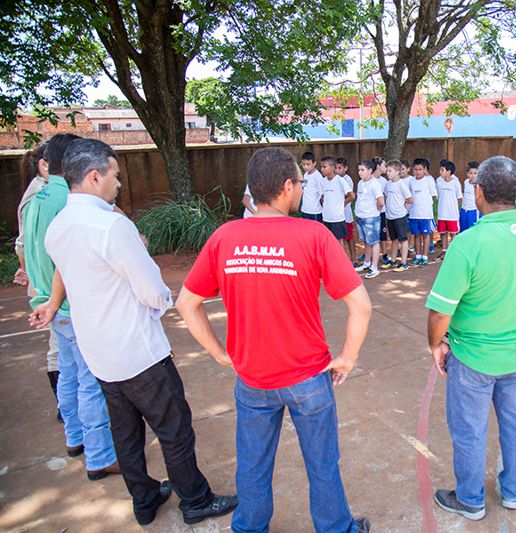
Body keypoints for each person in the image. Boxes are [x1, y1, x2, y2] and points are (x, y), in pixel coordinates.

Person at [32, 138, 237, 526]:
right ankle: (195, 499)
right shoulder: (112, 226)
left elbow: (68, 274)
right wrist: (156, 292)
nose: (119, 184)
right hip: (138, 352)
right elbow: (152, 291)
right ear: (94, 176)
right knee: (174, 428)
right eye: (115, 175)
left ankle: (144, 498)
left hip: (99, 351)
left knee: (126, 432)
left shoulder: (60, 225)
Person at [175, 147, 372, 533]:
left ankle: (249, 528)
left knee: (252, 465)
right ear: (287, 186)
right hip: (308, 378)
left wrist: (219, 352)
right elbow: (361, 305)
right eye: (299, 182)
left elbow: (186, 303)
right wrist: (348, 358)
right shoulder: (313, 234)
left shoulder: (225, 236)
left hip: (252, 378)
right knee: (322, 464)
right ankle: (336, 528)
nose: (300, 188)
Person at [426, 156, 516, 521]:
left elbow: (440, 312)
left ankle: (471, 499)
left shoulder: (469, 243)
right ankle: (513, 491)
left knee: (469, 430)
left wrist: (436, 344)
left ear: (479, 191)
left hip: (473, 358)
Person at [23, 133, 120, 481]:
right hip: (71, 305)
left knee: (68, 375)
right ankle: (100, 456)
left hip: (51, 305)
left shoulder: (37, 195)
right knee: (91, 383)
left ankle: (75, 437)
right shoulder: (69, 200)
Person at [15, 142, 62, 421]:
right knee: (60, 346)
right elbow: (24, 244)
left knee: (59, 343)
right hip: (51, 282)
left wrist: (27, 271)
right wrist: (30, 272)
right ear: (44, 165)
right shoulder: (44, 196)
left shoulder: (38, 193)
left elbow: (22, 245)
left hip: (44, 280)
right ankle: (66, 406)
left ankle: (67, 406)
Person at [354, 159, 385, 279]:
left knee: (374, 242)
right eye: (359, 170)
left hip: (371, 218)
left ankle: (374, 267)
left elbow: (380, 201)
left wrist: (374, 211)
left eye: (362, 170)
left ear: (370, 170)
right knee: (367, 241)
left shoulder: (374, 184)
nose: (360, 172)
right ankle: (366, 263)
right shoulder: (360, 183)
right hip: (361, 216)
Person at [382, 159, 413, 271]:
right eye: (387, 170)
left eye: (390, 171)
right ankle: (393, 260)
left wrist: (403, 205)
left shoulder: (401, 184)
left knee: (403, 239)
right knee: (394, 239)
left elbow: (410, 199)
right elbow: (386, 196)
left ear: (397, 172)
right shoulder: (388, 184)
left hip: (400, 216)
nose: (388, 173)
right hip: (390, 216)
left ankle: (404, 263)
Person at [409, 158, 438, 266]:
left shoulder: (429, 180)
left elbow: (434, 195)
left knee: (425, 235)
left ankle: (425, 257)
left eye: (420, 169)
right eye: (415, 169)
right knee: (416, 235)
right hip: (414, 214)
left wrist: (426, 204)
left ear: (425, 169)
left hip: (425, 214)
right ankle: (418, 256)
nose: (418, 172)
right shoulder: (411, 181)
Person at [320, 155, 355, 246]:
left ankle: (340, 256)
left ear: (332, 168)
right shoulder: (323, 181)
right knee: (328, 241)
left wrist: (344, 203)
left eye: (324, 167)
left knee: (339, 242)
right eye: (321, 167)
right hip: (326, 218)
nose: (322, 169)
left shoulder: (340, 181)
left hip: (337, 218)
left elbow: (352, 196)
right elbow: (322, 197)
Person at [435, 160, 462, 259]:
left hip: (452, 214)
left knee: (453, 233)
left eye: (442, 170)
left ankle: (453, 252)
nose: (440, 172)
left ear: (449, 171)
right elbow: (437, 196)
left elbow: (459, 198)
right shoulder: (439, 181)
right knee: (443, 233)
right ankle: (444, 252)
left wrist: (454, 209)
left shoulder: (456, 183)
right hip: (442, 214)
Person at [336, 157, 358, 264]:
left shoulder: (347, 180)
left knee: (349, 237)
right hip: (337, 214)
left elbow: (349, 196)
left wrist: (341, 203)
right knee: (340, 238)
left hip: (346, 214)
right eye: (336, 168)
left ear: (345, 168)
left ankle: (353, 259)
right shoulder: (335, 178)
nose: (337, 170)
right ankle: (343, 259)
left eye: (339, 168)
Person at [371, 157, 391, 264]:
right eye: (384, 165)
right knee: (370, 234)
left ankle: (384, 254)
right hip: (370, 212)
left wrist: (382, 201)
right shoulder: (369, 179)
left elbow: (386, 195)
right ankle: (368, 254)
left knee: (383, 233)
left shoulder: (384, 181)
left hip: (381, 212)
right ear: (378, 166)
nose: (386, 167)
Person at [300, 151, 324, 222]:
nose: (305, 167)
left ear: (314, 163)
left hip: (315, 211)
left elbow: (322, 194)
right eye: (303, 164)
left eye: (308, 164)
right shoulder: (305, 175)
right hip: (304, 210)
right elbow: (304, 188)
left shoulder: (318, 176)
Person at [459, 161, 480, 232]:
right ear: (467, 174)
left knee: (472, 230)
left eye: (475, 173)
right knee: (463, 230)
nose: (473, 175)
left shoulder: (479, 184)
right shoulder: (466, 182)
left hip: (474, 210)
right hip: (464, 210)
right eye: (471, 173)